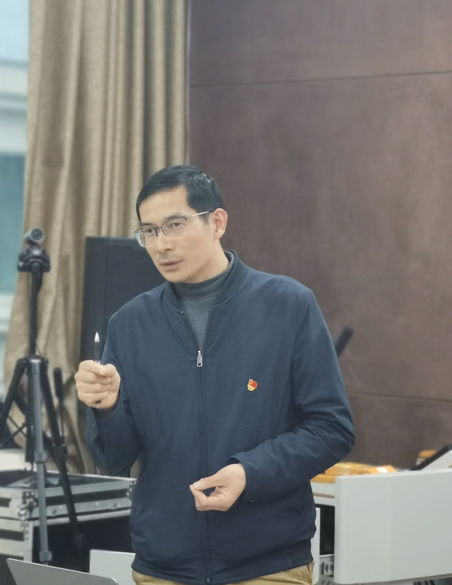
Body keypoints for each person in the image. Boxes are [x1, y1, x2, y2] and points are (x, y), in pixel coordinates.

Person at [75, 165, 354, 585]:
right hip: (162, 569)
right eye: (149, 231)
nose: (162, 244)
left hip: (269, 566)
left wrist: (249, 473)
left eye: (175, 225)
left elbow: (331, 429)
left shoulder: (288, 306)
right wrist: (107, 407)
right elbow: (113, 459)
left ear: (217, 222)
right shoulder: (129, 324)